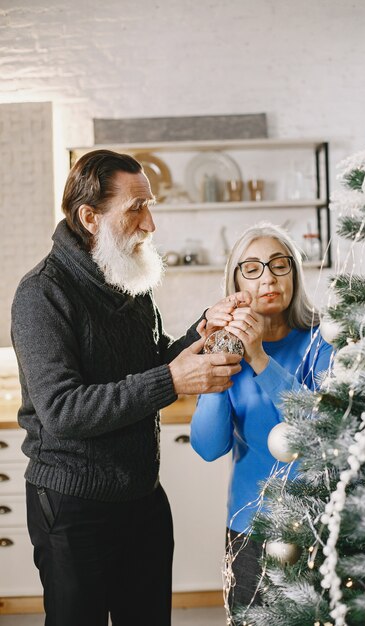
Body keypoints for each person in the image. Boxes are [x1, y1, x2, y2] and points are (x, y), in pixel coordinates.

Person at [10, 149, 248, 626]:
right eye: (136, 207)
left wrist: (202, 329)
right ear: (89, 217)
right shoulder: (41, 293)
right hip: (73, 507)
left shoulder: (126, 277)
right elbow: (64, 410)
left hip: (142, 499)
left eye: (150, 204)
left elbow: (153, 361)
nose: (150, 223)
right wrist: (171, 380)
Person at [190, 222, 333, 615]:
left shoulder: (323, 341)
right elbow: (207, 446)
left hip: (319, 522)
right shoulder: (227, 347)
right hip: (249, 523)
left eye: (278, 265)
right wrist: (220, 362)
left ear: (294, 273)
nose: (268, 277)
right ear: (236, 283)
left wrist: (260, 358)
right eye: (251, 268)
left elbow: (321, 427)